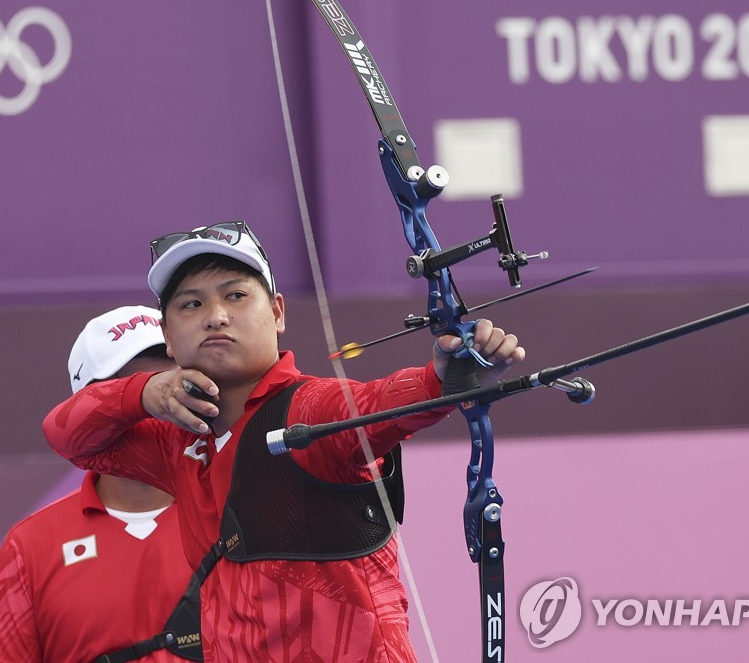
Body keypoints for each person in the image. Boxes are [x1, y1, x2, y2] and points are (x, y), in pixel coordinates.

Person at [43, 222, 526, 661]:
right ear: (168, 337)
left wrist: (439, 382)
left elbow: (370, 406)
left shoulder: (310, 409)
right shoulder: (178, 440)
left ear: (276, 312)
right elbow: (68, 435)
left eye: (235, 296)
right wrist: (144, 391)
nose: (215, 316)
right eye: (191, 304)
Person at [0, 306, 201, 663]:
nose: (166, 406)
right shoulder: (32, 545)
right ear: (90, 409)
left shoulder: (234, 512)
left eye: (175, 384)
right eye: (137, 394)